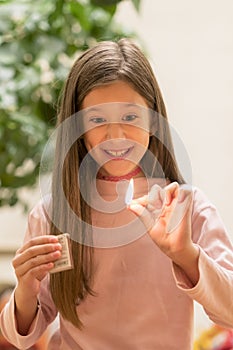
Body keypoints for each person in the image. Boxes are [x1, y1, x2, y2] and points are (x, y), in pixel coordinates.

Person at [0, 38, 233, 350]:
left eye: (130, 116)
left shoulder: (187, 209)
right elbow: (23, 335)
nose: (116, 136)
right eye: (97, 120)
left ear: (153, 119)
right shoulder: (51, 214)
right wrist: (26, 290)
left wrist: (185, 256)